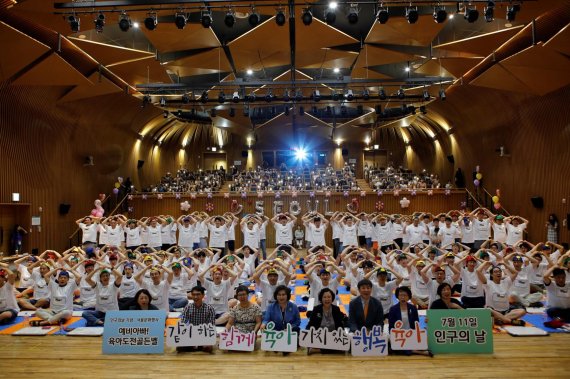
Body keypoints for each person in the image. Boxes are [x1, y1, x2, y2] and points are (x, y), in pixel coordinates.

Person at [476, 261, 526, 325]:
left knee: (522, 311)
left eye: (499, 272)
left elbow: (515, 273)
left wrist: (504, 264)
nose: (498, 273)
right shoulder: (488, 283)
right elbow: (478, 271)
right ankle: (509, 321)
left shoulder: (506, 282)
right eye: (495, 272)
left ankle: (501, 319)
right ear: (491, 274)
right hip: (493, 311)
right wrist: (486, 262)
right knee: (488, 310)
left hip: (506, 312)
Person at [388, 286, 432, 356]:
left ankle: (412, 349)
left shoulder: (413, 308)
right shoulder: (393, 309)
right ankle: (418, 352)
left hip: (411, 334)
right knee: (395, 347)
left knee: (423, 341)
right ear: (397, 296)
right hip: (399, 335)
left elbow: (416, 323)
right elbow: (391, 326)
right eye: (401, 295)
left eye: (405, 295)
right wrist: (394, 336)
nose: (403, 297)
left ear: (408, 297)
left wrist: (413, 335)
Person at [306, 288, 347, 355]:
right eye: (324, 297)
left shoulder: (336, 309)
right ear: (321, 299)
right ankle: (327, 349)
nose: (327, 299)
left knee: (341, 347)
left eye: (329, 297)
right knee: (337, 349)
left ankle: (319, 350)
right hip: (319, 337)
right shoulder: (316, 309)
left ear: (332, 298)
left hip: (333, 337)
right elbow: (310, 324)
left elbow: (340, 325)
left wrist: (342, 336)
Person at [178, 286, 216, 353]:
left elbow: (211, 326)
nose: (195, 297)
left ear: (203, 295)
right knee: (178, 347)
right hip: (191, 333)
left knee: (208, 347)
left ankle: (195, 346)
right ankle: (195, 346)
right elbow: (182, 323)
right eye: (194, 295)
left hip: (204, 333)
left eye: (198, 294)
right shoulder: (187, 308)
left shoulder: (209, 308)